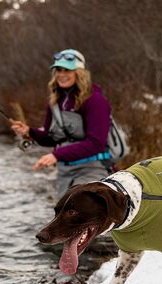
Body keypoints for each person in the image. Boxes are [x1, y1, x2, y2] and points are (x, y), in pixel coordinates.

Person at [12, 49, 113, 199]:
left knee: (81, 214)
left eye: (67, 70)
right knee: (64, 219)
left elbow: (96, 143)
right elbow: (51, 137)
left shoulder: (95, 101)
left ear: (79, 72)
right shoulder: (55, 101)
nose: (61, 74)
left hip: (93, 170)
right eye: (58, 69)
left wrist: (56, 155)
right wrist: (30, 132)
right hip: (64, 173)